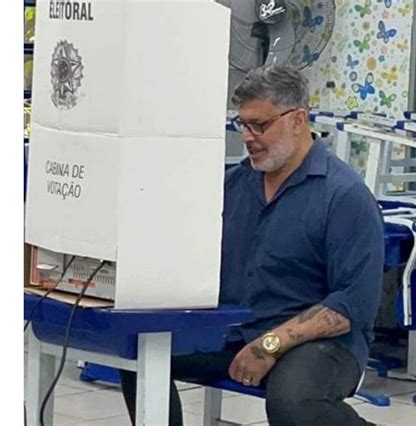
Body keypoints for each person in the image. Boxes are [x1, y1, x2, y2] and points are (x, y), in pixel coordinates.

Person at [120, 65, 384, 425]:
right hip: (234, 330)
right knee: (134, 352)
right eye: (241, 125)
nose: (247, 137)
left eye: (259, 125)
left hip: (321, 345)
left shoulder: (345, 196)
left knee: (294, 402)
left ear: (298, 120)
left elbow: (350, 307)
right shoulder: (233, 185)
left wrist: (269, 345)